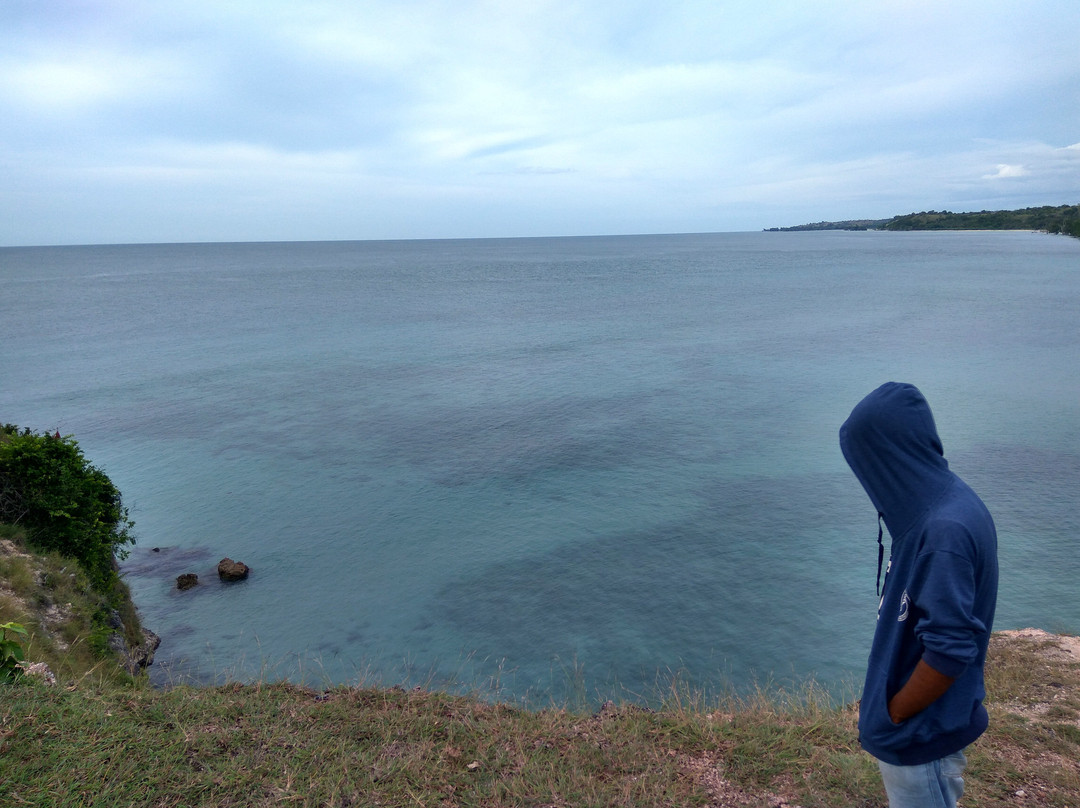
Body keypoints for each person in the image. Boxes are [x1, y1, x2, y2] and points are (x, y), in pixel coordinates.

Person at [839, 382, 998, 808]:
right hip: (919, 729)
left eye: (868, 459)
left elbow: (950, 649)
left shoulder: (943, 531)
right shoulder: (942, 504)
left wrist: (895, 713)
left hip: (921, 736)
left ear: (890, 454)